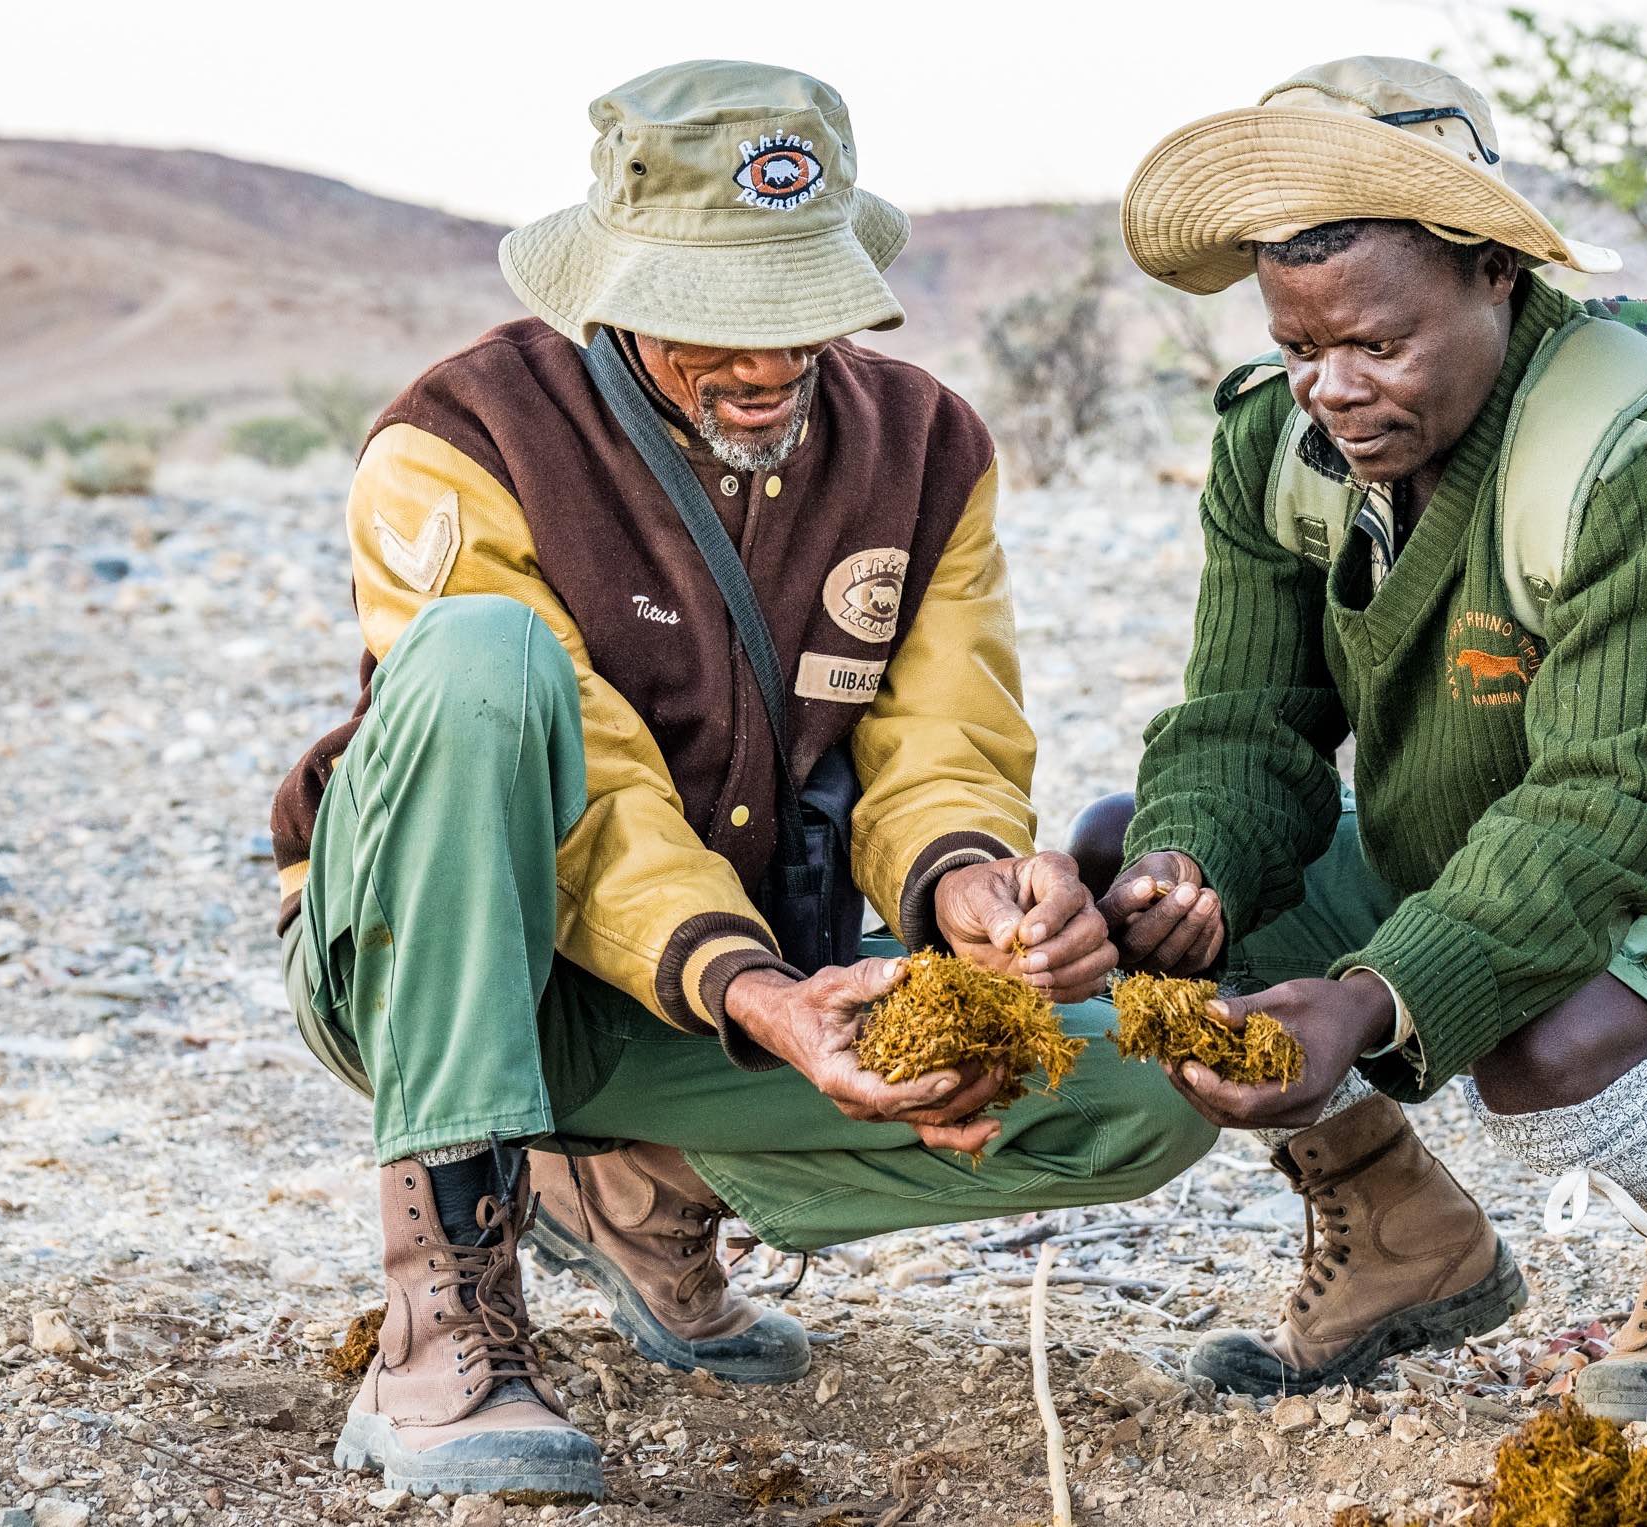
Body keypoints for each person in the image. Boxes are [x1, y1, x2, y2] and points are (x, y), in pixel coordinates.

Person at [271, 60, 1214, 1499]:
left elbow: (938, 740)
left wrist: (973, 892)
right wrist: (758, 993)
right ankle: (443, 1311)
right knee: (481, 662)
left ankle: (638, 1190)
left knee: (1142, 1095)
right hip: (442, 981)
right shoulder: (460, 439)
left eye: (800, 313)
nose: (769, 363)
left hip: (740, 999)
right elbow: (589, 789)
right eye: (716, 322)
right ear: (612, 290)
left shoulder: (927, 449)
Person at [1093, 57, 1647, 1423]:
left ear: (1495, 275)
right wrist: (1189, 860)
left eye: (1379, 346)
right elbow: (1248, 721)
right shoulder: (1276, 449)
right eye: (1300, 350)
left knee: (1541, 1040)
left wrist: (1371, 1002)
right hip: (1462, 851)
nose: (1333, 390)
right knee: (1135, 870)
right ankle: (1404, 1239)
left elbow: (1609, 812)